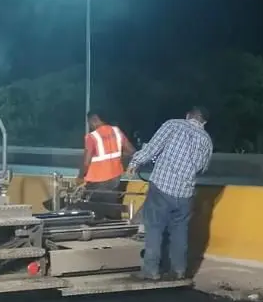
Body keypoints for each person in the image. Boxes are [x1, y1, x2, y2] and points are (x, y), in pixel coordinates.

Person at [125, 106, 214, 280]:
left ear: (188, 115)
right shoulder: (207, 140)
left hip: (162, 187)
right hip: (185, 194)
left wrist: (135, 163)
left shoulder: (173, 125)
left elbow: (152, 148)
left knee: (154, 229)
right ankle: (179, 270)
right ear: (204, 122)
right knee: (180, 232)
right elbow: (202, 169)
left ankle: (151, 271)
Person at [78, 112, 134, 219]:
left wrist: (80, 177)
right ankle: (115, 229)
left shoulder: (92, 137)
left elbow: (86, 162)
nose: (89, 125)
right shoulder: (117, 131)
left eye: (89, 122)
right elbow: (131, 151)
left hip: (97, 181)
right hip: (115, 178)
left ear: (94, 119)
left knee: (93, 212)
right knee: (111, 208)